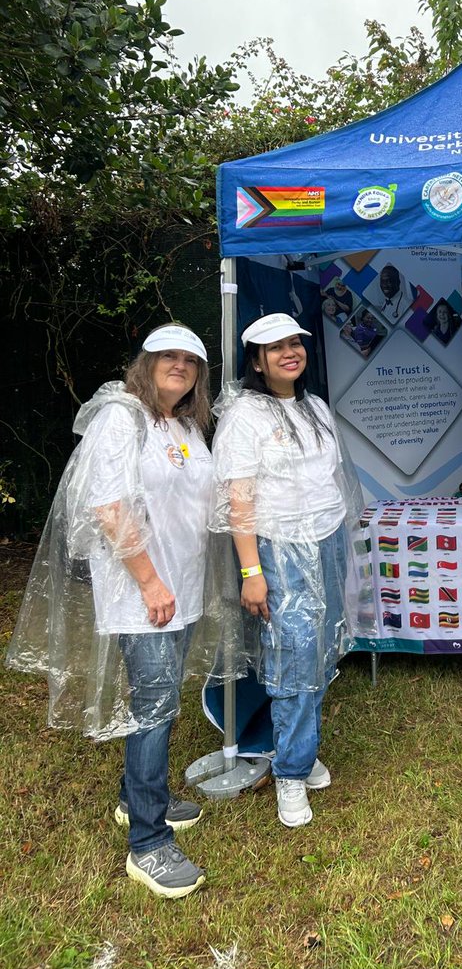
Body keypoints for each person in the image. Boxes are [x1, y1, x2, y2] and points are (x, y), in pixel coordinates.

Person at [6, 324, 236, 899]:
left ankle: (138, 797)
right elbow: (108, 507)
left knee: (161, 699)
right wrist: (151, 583)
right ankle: (148, 843)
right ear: (146, 363)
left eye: (190, 360)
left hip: (180, 588)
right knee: (156, 707)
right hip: (145, 594)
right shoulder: (121, 418)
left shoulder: (183, 424)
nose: (180, 366)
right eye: (168, 356)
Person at [211, 313, 364, 828]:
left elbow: (333, 480)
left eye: (295, 343)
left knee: (321, 648)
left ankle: (302, 747)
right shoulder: (244, 415)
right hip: (279, 549)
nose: (289, 352)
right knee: (293, 655)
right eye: (275, 347)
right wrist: (251, 571)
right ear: (257, 361)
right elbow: (238, 501)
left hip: (327, 541)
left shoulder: (314, 407)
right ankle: (291, 773)